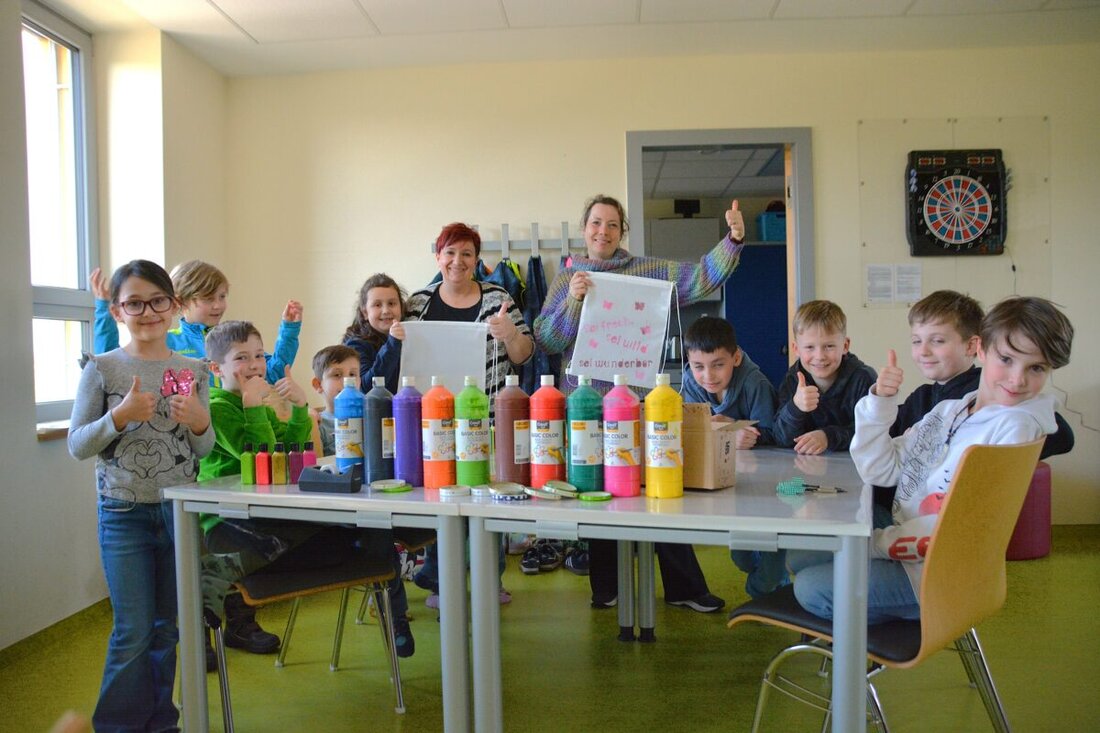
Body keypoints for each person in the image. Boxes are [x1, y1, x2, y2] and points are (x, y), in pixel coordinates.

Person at [789, 296, 1074, 622]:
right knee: (802, 553)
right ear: (982, 349)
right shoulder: (950, 409)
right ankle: (859, 609)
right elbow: (881, 469)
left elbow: (957, 526)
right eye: (1006, 359)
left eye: (1036, 367)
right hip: (908, 539)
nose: (1018, 379)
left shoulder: (1016, 426)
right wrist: (880, 402)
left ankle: (867, 639)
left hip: (938, 571)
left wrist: (875, 545)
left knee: (810, 587)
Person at [534, 194, 746, 612]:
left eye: (612, 225)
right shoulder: (567, 278)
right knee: (598, 494)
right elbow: (547, 339)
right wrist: (575, 302)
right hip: (587, 410)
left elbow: (699, 278)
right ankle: (606, 589)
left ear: (621, 232)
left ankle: (685, 588)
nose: (603, 231)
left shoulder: (645, 271)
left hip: (642, 406)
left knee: (659, 491)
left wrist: (733, 241)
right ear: (585, 228)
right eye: (596, 223)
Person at [200, 321, 414, 658]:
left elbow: (293, 450)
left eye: (259, 355)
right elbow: (259, 458)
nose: (255, 365)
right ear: (216, 369)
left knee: (345, 544)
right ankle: (214, 591)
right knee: (328, 536)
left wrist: (301, 409)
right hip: (229, 523)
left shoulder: (257, 400)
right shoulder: (218, 407)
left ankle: (395, 615)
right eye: (242, 358)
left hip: (268, 516)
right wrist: (255, 408)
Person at [68, 260, 214, 732]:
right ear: (117, 310)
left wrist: (198, 421)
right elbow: (77, 444)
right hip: (123, 512)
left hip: (178, 510)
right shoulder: (103, 368)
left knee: (165, 630)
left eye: (157, 301)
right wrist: (120, 416)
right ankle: (115, 726)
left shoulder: (193, 369)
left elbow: (203, 446)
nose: (146, 311)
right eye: (134, 303)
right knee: (132, 631)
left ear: (173, 307)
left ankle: (159, 722)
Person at [403, 222, 534, 607]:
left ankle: (490, 582)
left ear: (477, 260)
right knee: (443, 501)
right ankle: (444, 582)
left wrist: (509, 333)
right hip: (435, 422)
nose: (457, 261)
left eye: (466, 254)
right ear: (437, 257)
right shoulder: (418, 303)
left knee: (483, 501)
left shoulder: (498, 298)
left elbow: (524, 354)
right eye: (450, 253)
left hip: (487, 418)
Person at [878, 289, 1075, 512]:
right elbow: (889, 442)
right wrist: (879, 401)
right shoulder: (928, 398)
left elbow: (1060, 434)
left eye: (938, 341)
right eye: (916, 341)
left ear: (974, 347)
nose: (923, 351)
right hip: (904, 507)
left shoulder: (998, 396)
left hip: (931, 521)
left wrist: (974, 450)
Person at [681, 316, 785, 598]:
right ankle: (769, 582)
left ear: (735, 358)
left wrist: (744, 432)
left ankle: (766, 591)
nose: (708, 376)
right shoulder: (690, 381)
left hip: (765, 481)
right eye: (698, 366)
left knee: (767, 544)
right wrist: (720, 429)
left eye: (718, 365)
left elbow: (774, 435)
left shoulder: (755, 383)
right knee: (741, 555)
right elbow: (690, 427)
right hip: (724, 477)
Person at [89, 260, 303, 387]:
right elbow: (111, 363)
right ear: (180, 301)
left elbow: (274, 372)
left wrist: (289, 332)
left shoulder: (232, 338)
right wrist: (103, 310)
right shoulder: (167, 341)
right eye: (209, 299)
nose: (218, 305)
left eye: (222, 296)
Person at [773, 300, 877, 454]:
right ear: (796, 349)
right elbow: (781, 438)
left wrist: (828, 437)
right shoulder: (793, 379)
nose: (820, 356)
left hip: (854, 470)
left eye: (829, 346)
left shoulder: (863, 378)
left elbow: (873, 433)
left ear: (845, 346)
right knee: (784, 480)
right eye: (809, 347)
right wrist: (795, 407)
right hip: (804, 471)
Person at [342, 273, 407, 394]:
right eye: (377, 305)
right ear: (365, 312)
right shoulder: (355, 345)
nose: (386, 310)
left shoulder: (408, 337)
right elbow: (367, 388)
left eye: (392, 303)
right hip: (374, 411)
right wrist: (392, 344)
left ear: (401, 308)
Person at [310, 344, 362, 456]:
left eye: (353, 374)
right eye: (337, 375)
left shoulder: (370, 417)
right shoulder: (319, 424)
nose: (347, 380)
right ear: (318, 384)